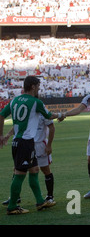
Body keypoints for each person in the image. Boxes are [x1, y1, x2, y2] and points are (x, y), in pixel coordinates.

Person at [0, 76, 60, 215]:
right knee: (20, 174)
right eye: (38, 85)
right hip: (25, 142)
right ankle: (13, 206)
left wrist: (2, 135)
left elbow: (1, 115)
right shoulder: (35, 102)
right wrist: (61, 114)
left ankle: (40, 201)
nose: (39, 87)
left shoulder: (14, 100)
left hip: (20, 141)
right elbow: (49, 115)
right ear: (33, 86)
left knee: (34, 170)